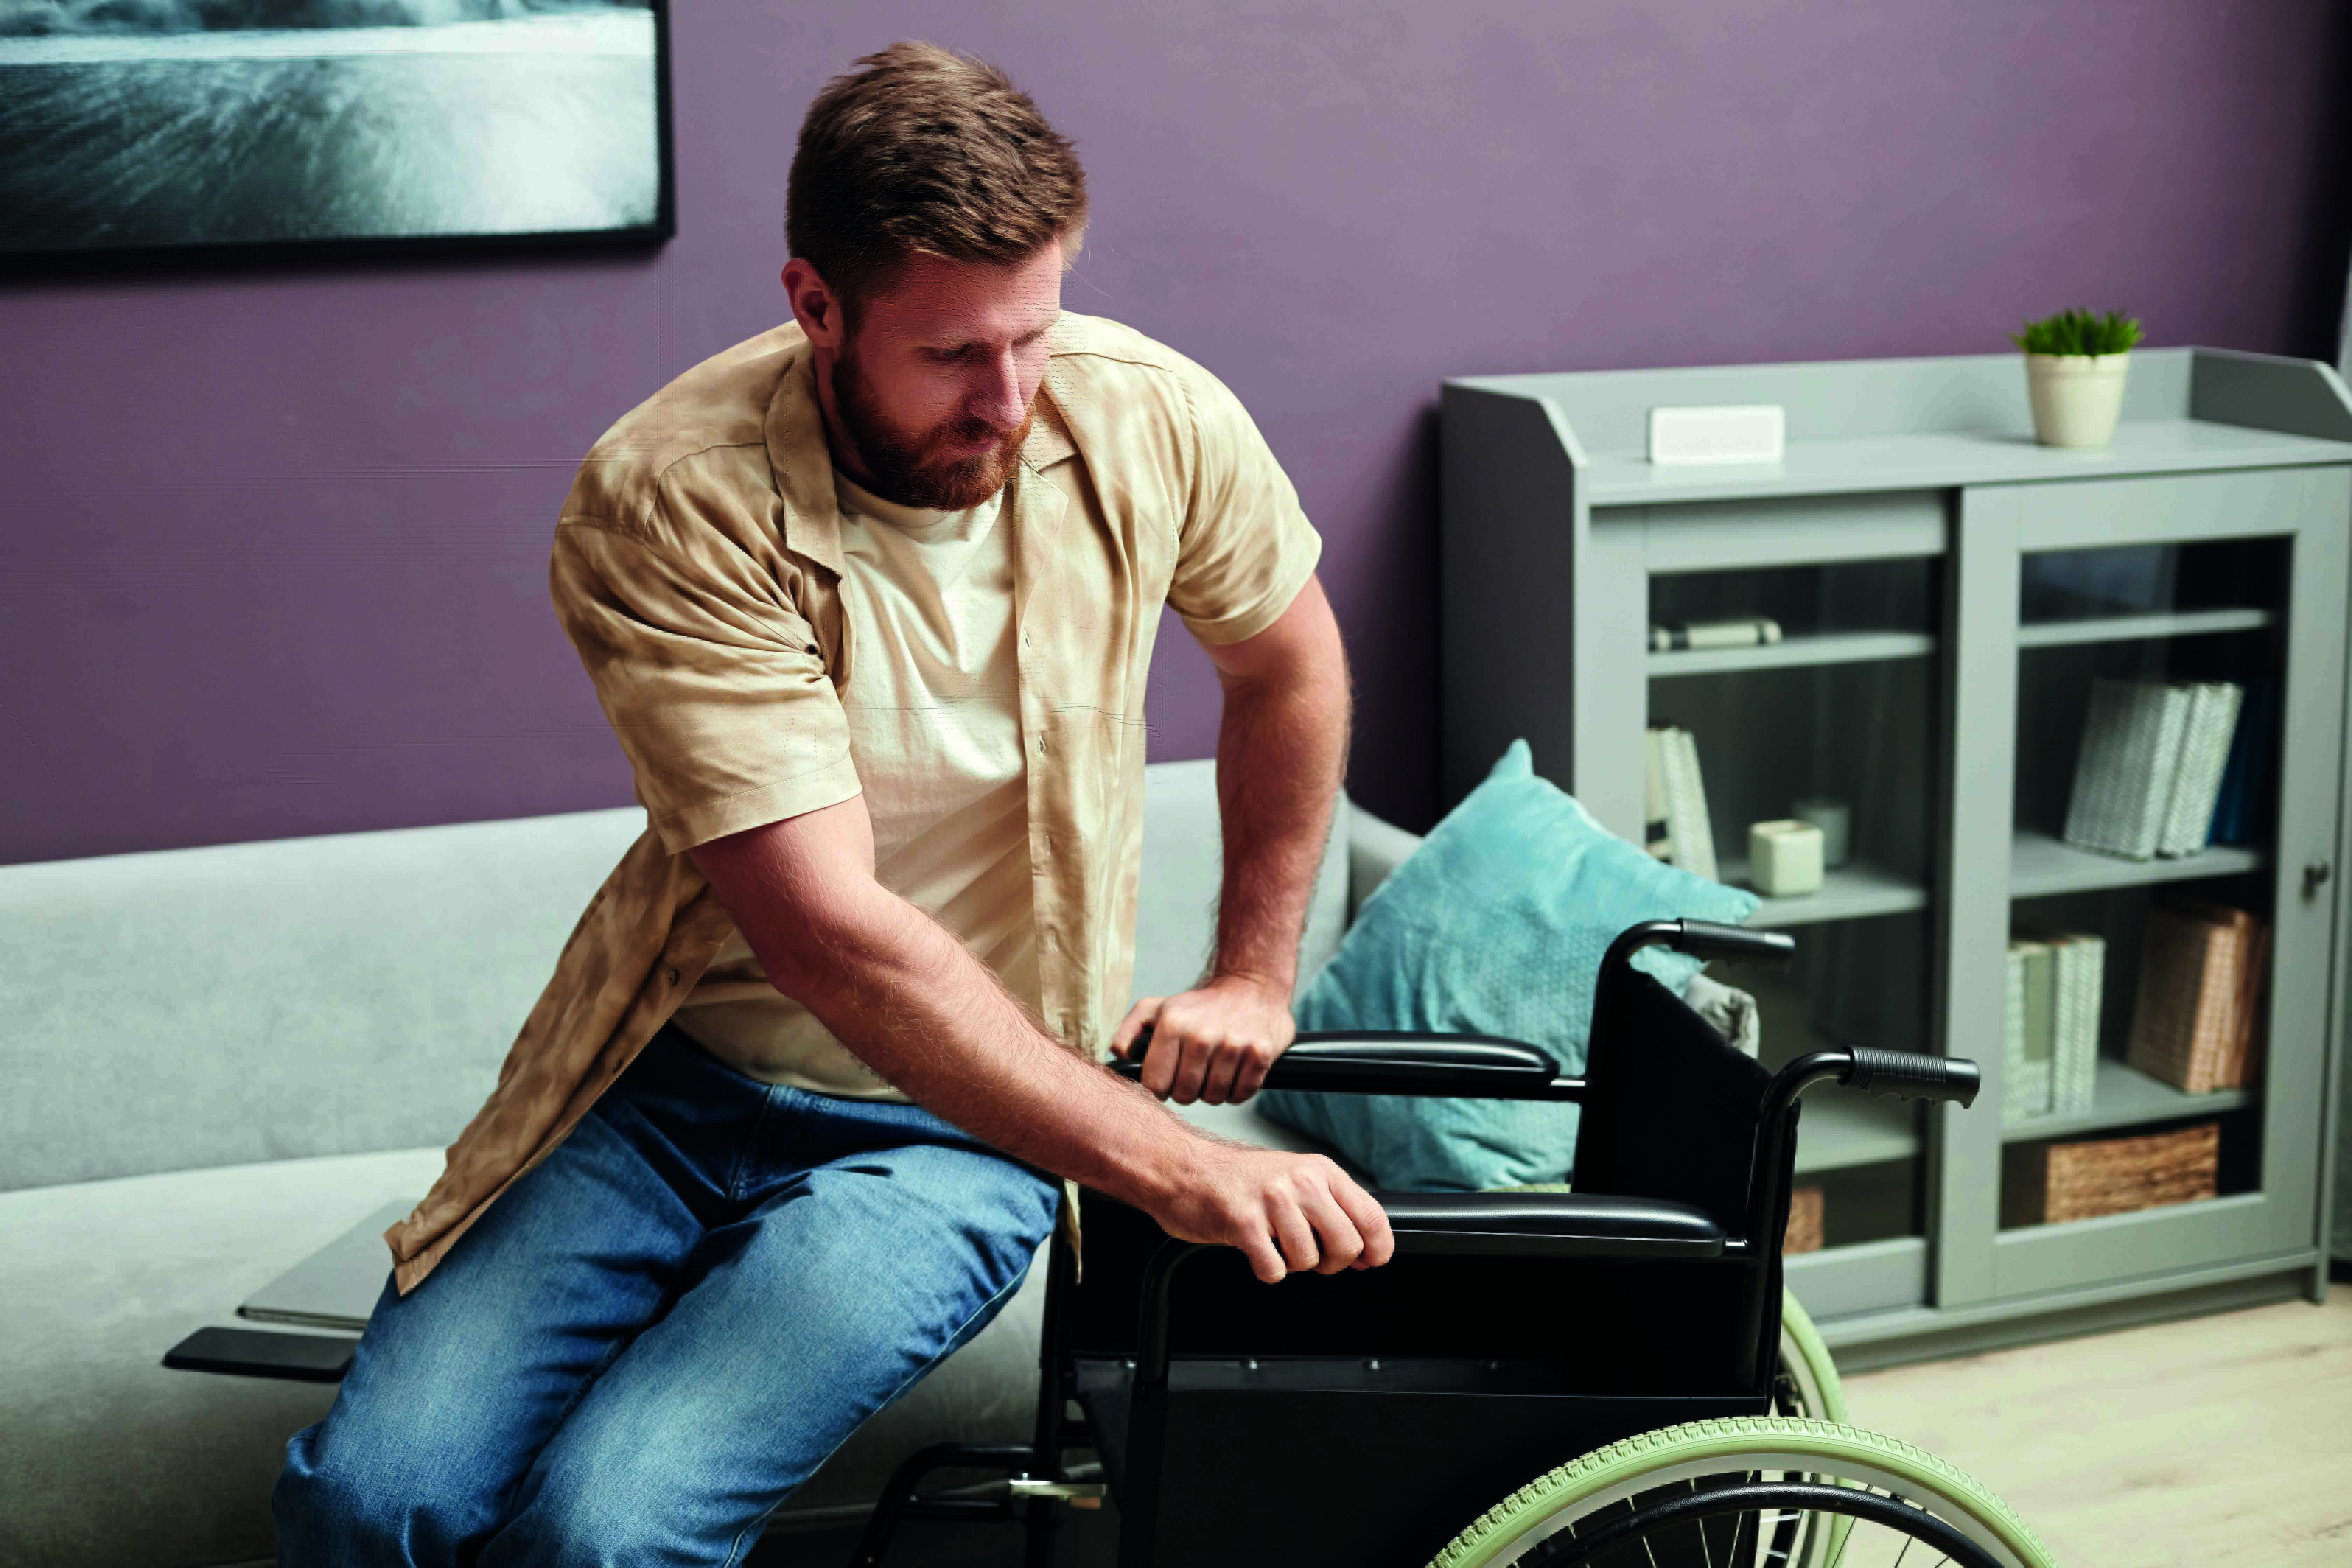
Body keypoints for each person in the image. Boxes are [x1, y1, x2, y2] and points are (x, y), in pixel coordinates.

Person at [272, 39, 1393, 1568]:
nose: (1009, 400)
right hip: (667, 1089)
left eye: (1036, 337)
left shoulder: (1154, 422)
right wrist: (1180, 1162)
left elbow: (1294, 669)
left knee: (607, 1531)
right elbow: (835, 938)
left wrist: (1256, 970)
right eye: (950, 356)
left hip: (959, 1124)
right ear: (817, 307)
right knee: (367, 1498)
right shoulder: (670, 494)